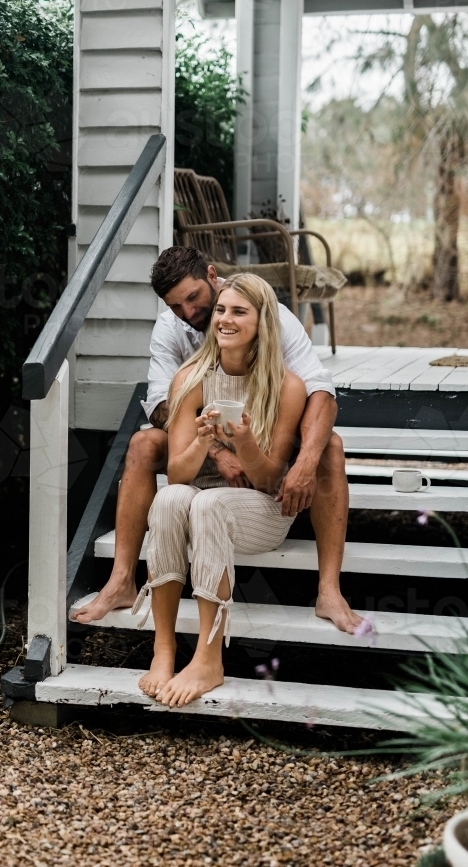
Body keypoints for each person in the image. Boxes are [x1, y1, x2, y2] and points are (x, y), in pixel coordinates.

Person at [72, 246, 360, 633]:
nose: (189, 313)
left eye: (193, 298)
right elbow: (160, 404)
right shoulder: (171, 330)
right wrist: (218, 448)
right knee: (142, 444)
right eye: (176, 306)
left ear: (211, 276)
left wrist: (305, 461)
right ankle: (123, 580)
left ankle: (328, 590)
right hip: (198, 437)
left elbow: (319, 388)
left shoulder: (259, 307)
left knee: (330, 448)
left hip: (265, 427)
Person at [135, 273, 306, 706]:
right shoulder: (190, 378)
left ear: (262, 321)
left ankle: (209, 658)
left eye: (239, 312)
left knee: (208, 502)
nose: (225, 320)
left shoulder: (287, 386)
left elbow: (270, 482)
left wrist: (245, 442)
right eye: (222, 310)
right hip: (200, 499)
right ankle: (164, 649)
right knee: (172, 497)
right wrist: (204, 440)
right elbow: (176, 475)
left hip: (263, 510)